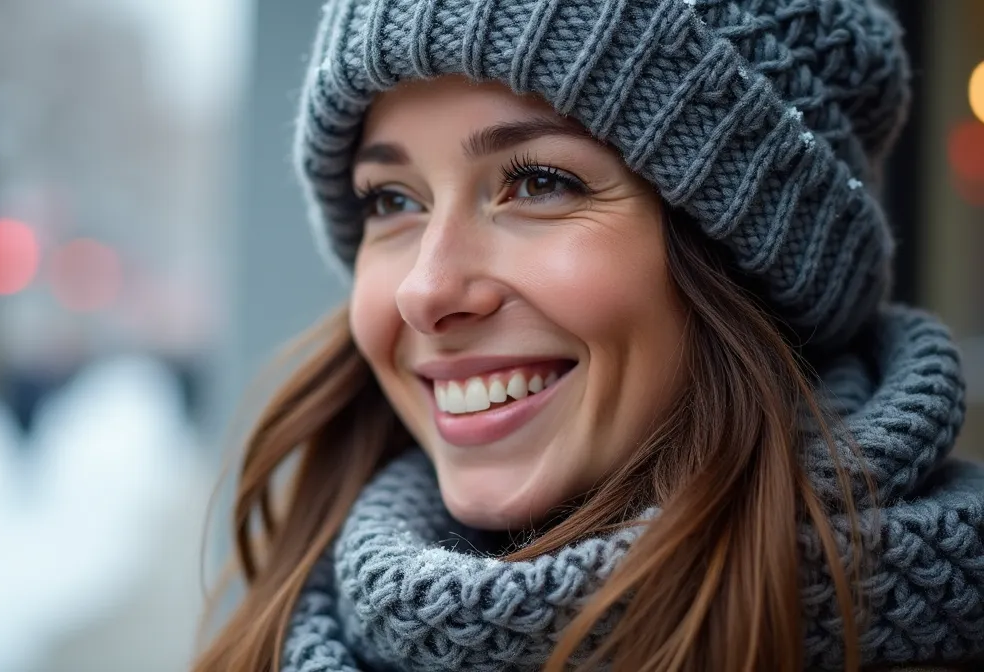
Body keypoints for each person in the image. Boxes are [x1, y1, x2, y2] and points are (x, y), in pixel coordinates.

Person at [194, 1, 984, 671]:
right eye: (391, 200)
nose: (426, 292)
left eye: (538, 181)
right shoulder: (286, 627)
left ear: (747, 258)